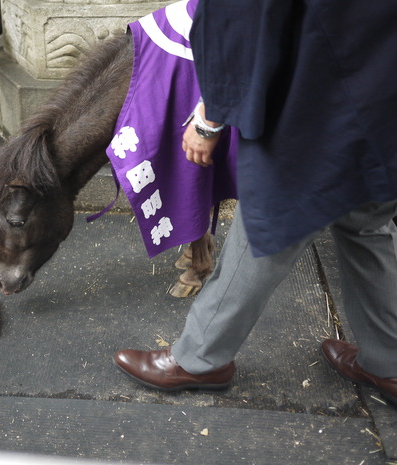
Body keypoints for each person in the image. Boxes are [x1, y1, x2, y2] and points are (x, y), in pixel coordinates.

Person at [114, 0, 397, 407]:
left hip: (317, 86)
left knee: (272, 214)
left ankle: (200, 357)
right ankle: (390, 361)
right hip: (384, 71)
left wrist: (209, 117)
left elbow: (241, 13)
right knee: (366, 219)